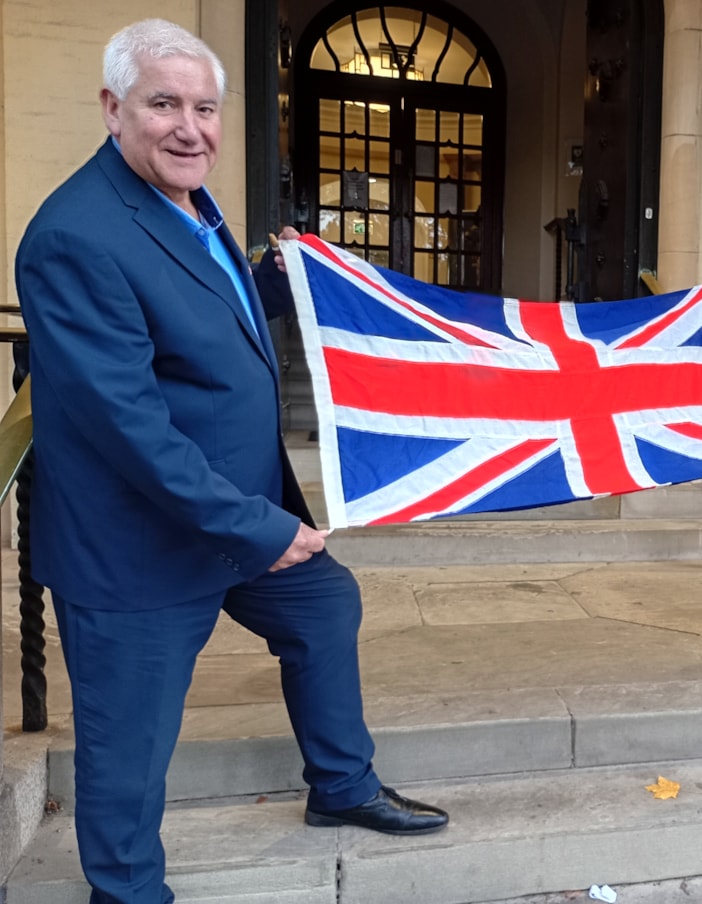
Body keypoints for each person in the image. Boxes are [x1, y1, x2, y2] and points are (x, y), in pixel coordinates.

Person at [15, 19, 447, 903]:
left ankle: (341, 786)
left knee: (324, 606)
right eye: (164, 105)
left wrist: (281, 281)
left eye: (205, 108)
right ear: (113, 109)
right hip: (138, 544)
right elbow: (127, 425)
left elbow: (201, 318)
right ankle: (126, 892)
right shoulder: (74, 236)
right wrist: (258, 526)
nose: (190, 128)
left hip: (229, 516)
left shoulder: (190, 203)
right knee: (130, 745)